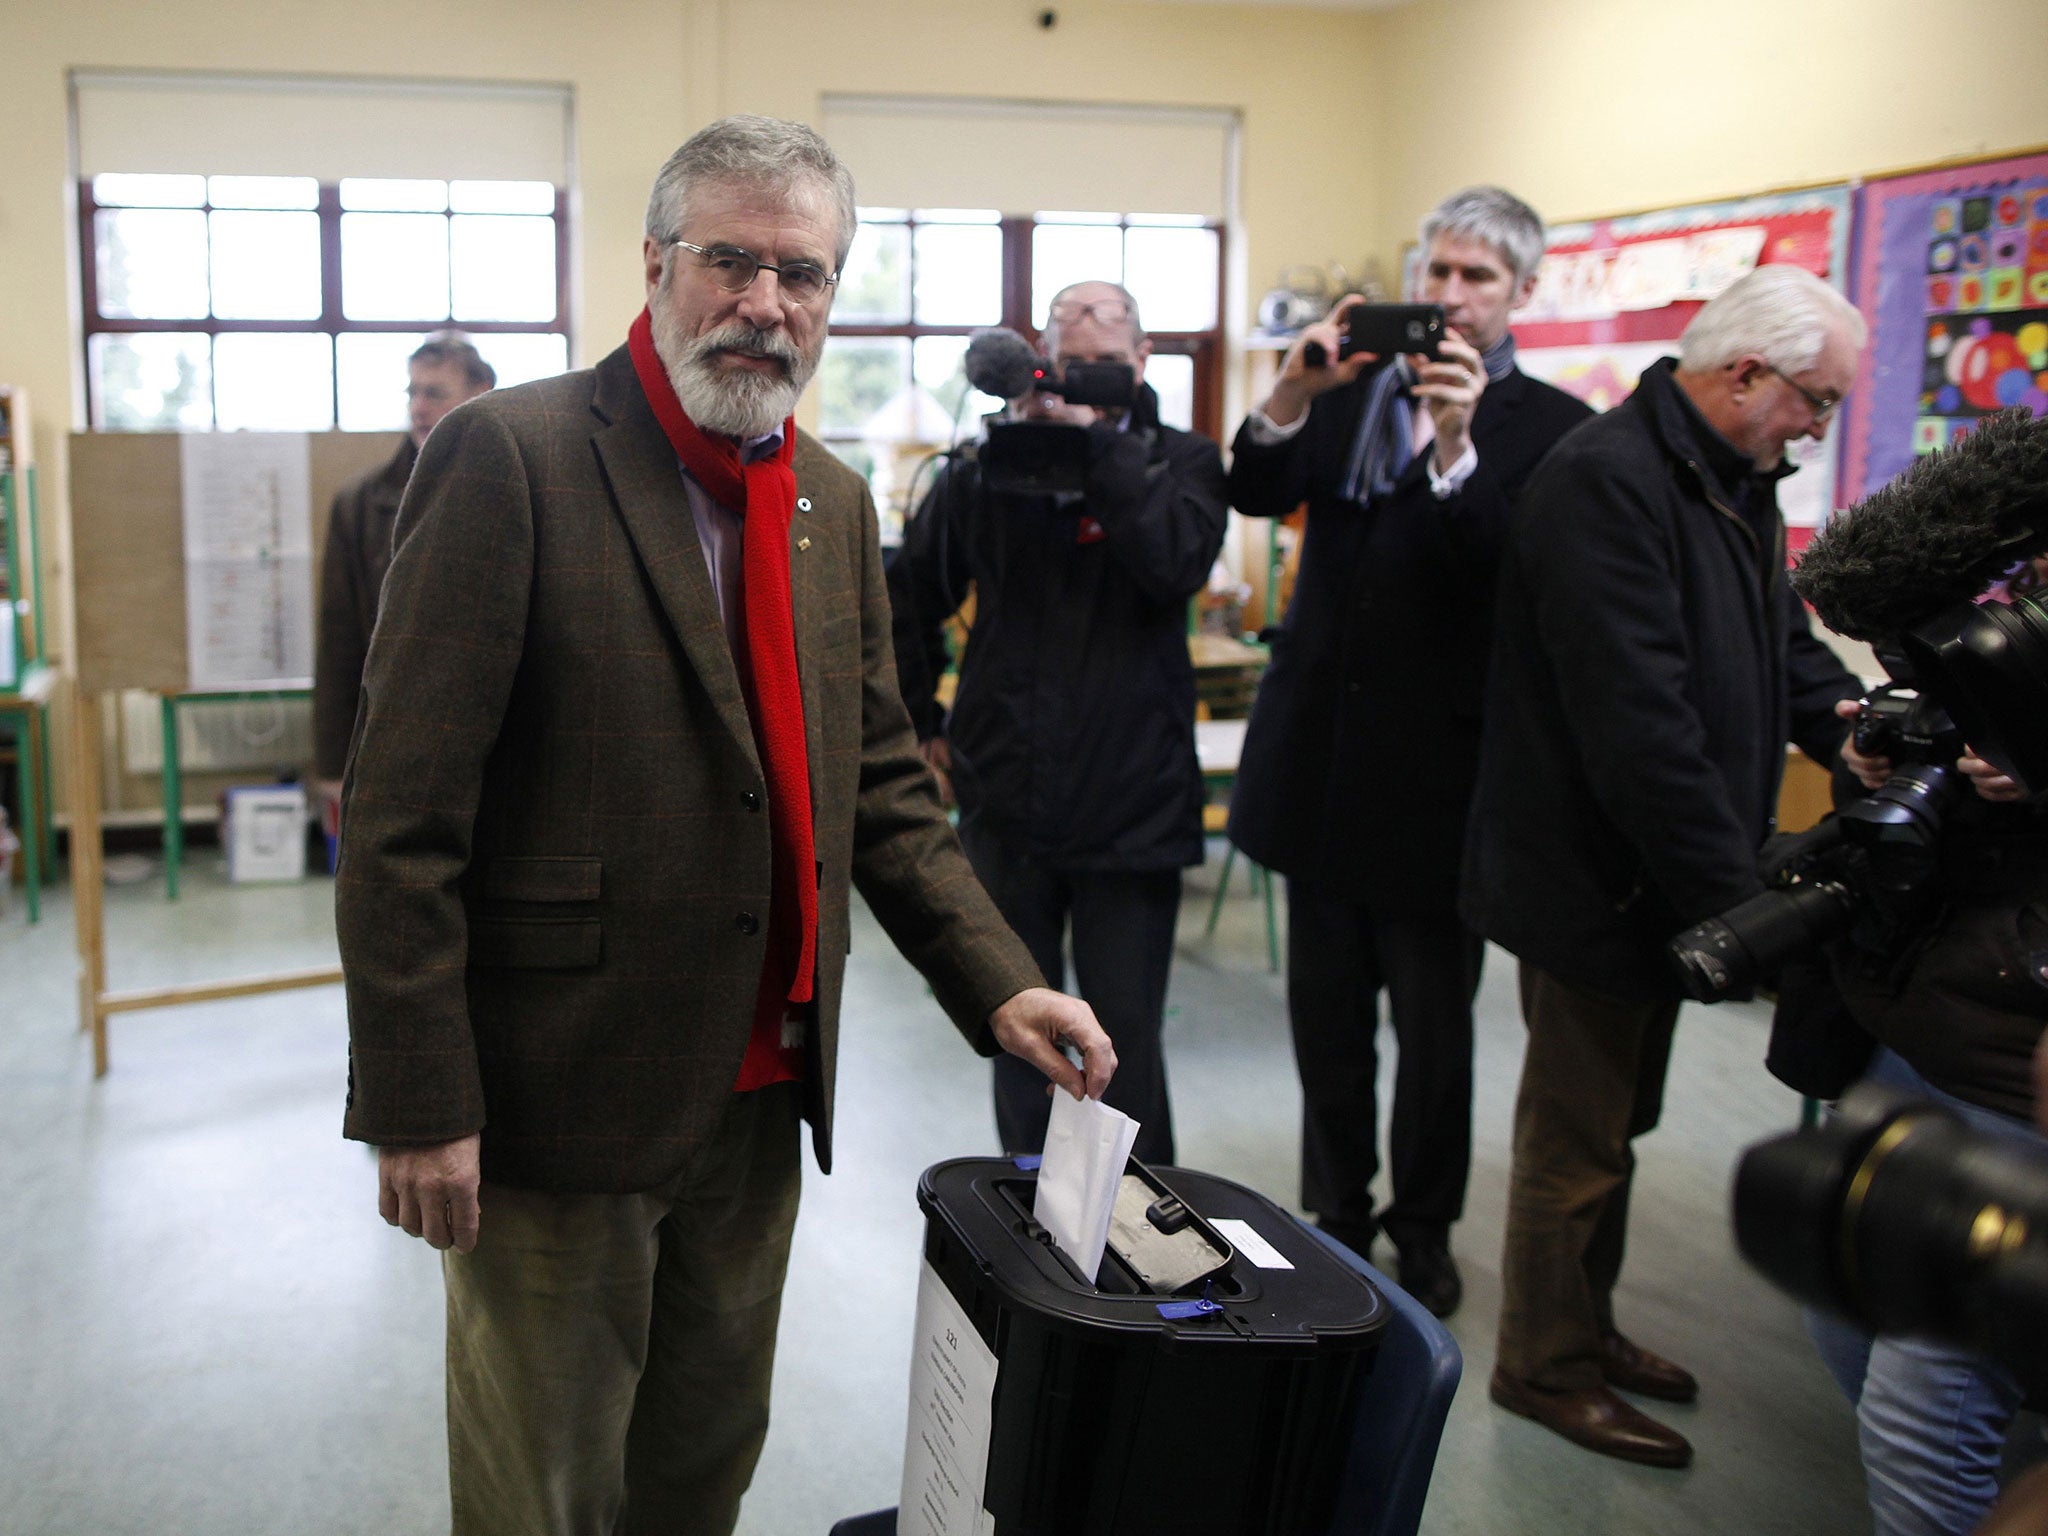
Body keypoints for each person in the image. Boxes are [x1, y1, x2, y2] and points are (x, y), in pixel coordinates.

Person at [335, 115, 1115, 1536]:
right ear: (655, 263)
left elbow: (878, 778)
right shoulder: (510, 461)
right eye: (732, 261)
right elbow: (402, 814)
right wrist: (418, 1096)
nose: (767, 304)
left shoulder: (830, 498)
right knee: (548, 1491)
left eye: (803, 275)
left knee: (701, 1468)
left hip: (761, 1096)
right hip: (556, 1097)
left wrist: (1002, 977)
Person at [1461, 263, 1871, 1467]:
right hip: (1595, 882)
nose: (1815, 424)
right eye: (1815, 399)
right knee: (1575, 1139)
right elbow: (1638, 730)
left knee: (1619, 1125)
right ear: (1743, 374)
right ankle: (1542, 1366)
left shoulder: (1732, 477)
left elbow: (1779, 645)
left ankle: (1585, 1328)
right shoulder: (1603, 481)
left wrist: (1850, 729)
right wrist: (1744, 911)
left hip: (1664, 878)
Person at [1225, 187, 1592, 1316]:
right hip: (1319, 773)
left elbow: (1512, 585)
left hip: (1444, 791)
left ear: (1521, 294)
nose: (1446, 297)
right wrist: (1289, 388)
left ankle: (1420, 1228)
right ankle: (1335, 1215)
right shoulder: (1343, 394)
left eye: (1474, 279)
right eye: (1433, 273)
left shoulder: (1551, 428)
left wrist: (1455, 446)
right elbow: (1250, 485)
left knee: (1435, 1042)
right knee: (1326, 1028)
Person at [888, 281, 1228, 1164]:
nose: (1082, 383)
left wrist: (1096, 441)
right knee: (1021, 1038)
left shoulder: (1183, 460)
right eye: (1066, 365)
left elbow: (1175, 564)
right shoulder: (984, 470)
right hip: (1007, 799)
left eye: (1105, 369)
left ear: (1143, 363)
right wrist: (924, 720)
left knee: (1126, 1048)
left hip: (1135, 806)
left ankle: (1142, 1244)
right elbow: (905, 599)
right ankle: (1028, 1232)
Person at [312, 331, 494, 816]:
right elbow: (340, 636)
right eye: (412, 392)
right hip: (398, 730)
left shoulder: (521, 485)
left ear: (481, 395)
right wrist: (333, 762)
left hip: (498, 733)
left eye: (434, 393)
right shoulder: (361, 503)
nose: (418, 407)